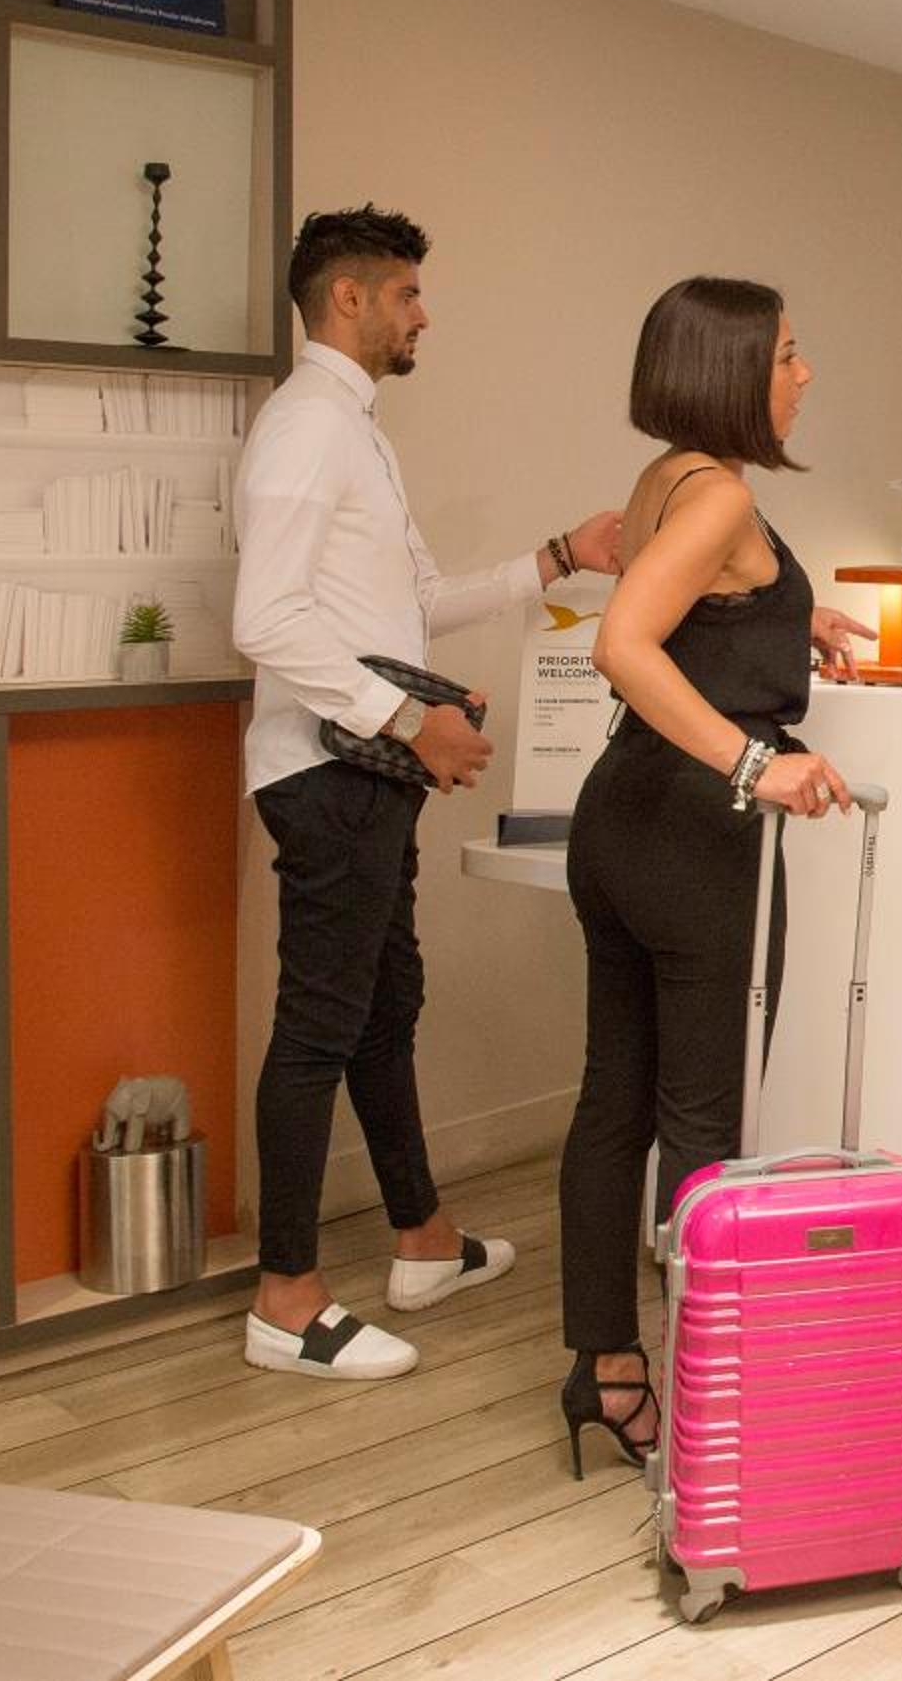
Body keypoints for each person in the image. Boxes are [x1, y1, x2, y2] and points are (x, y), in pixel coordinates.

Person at [233, 205, 627, 1381]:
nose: (423, 314)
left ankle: (424, 1239)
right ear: (348, 298)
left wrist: (560, 557)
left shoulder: (354, 431)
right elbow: (264, 619)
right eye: (407, 293)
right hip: (329, 774)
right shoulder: (307, 427)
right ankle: (286, 1300)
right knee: (321, 1023)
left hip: (365, 772)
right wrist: (413, 721)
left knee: (382, 1004)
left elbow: (402, 609)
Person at [557, 276, 868, 1473]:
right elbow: (623, 642)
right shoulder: (724, 491)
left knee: (614, 1104)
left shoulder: (671, 478)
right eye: (787, 354)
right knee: (702, 1125)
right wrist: (756, 763)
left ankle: (608, 1370)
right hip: (695, 829)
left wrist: (794, 624)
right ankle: (707, 1400)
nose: (804, 373)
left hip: (622, 814)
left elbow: (690, 616)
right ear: (733, 369)